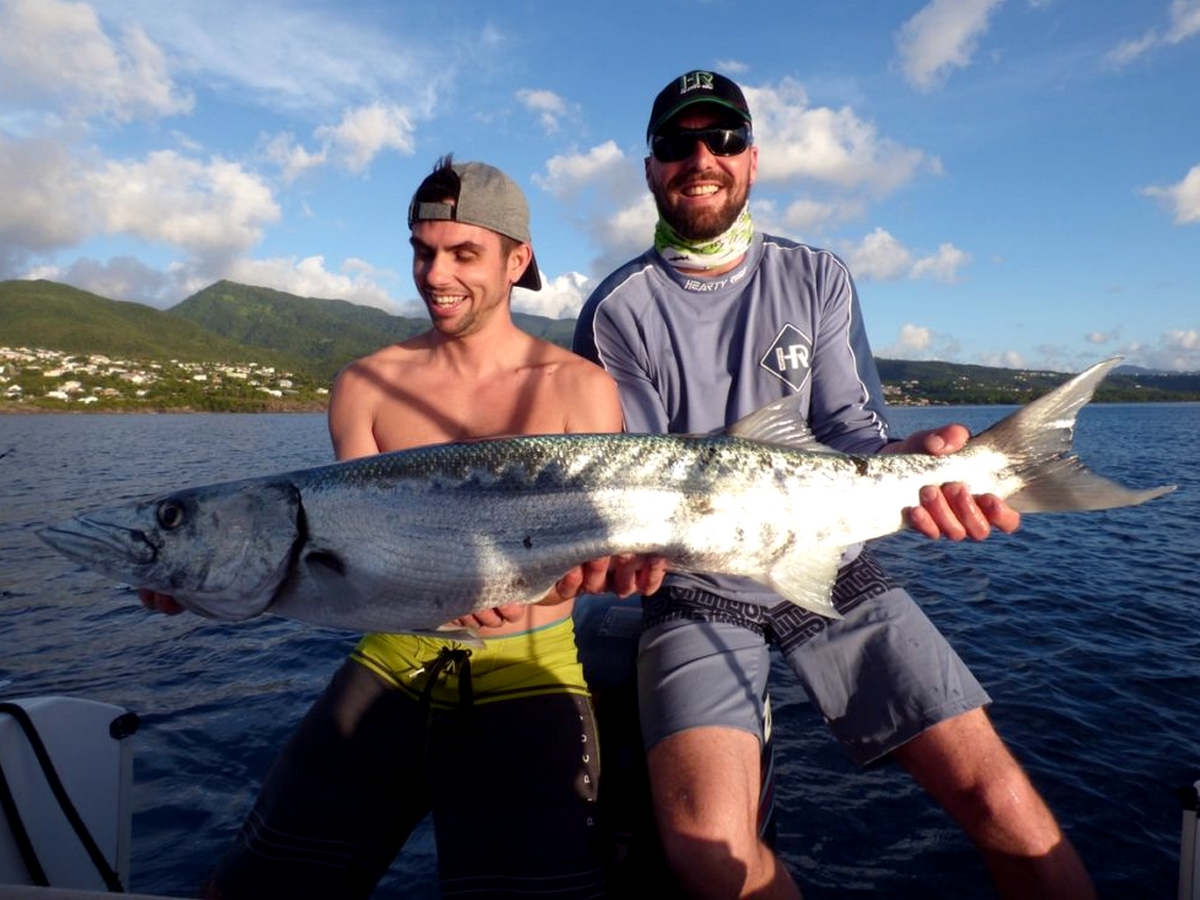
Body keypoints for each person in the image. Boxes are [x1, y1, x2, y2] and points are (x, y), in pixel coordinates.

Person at [573, 70, 1097, 900]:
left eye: (725, 139)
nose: (701, 158)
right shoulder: (617, 311)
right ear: (650, 169)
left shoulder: (817, 275)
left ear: (754, 160)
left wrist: (919, 458)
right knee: (710, 855)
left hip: (833, 554)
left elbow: (852, 431)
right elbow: (637, 473)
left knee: (1004, 804)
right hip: (694, 584)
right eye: (677, 144)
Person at [142, 155, 663, 899]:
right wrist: (207, 580)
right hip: (390, 662)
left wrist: (593, 576)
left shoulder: (579, 388)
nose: (435, 274)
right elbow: (350, 561)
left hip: (527, 672)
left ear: (518, 261)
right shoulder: (364, 386)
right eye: (423, 251)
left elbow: (590, 552)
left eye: (463, 254)